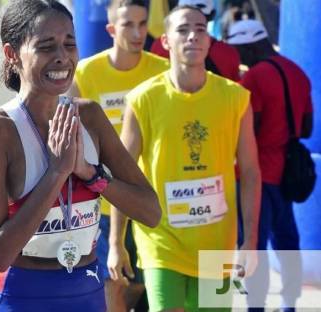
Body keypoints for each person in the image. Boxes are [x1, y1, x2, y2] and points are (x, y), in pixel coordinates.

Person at [0, 1, 161, 311]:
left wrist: (93, 177)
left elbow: (151, 212)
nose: (62, 56)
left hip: (87, 292)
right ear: (11, 54)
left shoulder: (90, 117)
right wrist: (57, 172)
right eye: (46, 46)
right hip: (21, 295)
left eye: (69, 44)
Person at [108, 5, 261, 311]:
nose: (193, 36)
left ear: (209, 40)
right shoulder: (143, 99)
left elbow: (250, 171)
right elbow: (122, 176)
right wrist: (115, 243)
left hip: (216, 244)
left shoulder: (235, 98)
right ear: (165, 41)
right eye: (182, 30)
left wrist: (250, 240)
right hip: (161, 241)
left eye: (201, 29)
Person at [67, 1, 168, 311]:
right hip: (104, 204)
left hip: (151, 199)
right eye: (128, 25)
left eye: (142, 24)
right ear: (111, 29)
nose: (138, 33)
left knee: (144, 288)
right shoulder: (86, 73)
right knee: (112, 286)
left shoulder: (162, 72)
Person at [227, 19, 313, 312]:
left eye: (240, 51)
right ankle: (289, 305)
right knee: (288, 243)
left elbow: (251, 129)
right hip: (285, 174)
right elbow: (307, 129)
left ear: (251, 46)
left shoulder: (254, 79)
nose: (239, 58)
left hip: (256, 175)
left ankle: (255, 307)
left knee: (252, 244)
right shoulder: (298, 72)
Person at [150, 0, 241, 82]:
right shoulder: (227, 52)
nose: (192, 37)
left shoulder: (160, 46)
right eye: (183, 30)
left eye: (199, 28)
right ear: (212, 14)